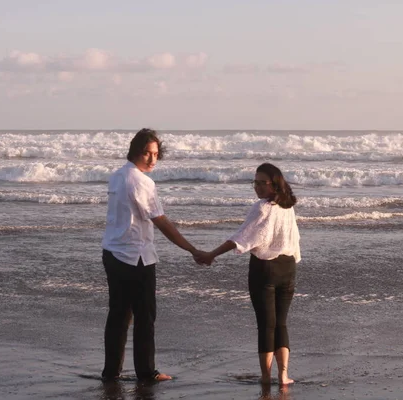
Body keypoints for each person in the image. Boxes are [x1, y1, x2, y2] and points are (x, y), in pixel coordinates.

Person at [101, 128, 205, 382]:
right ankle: (146, 372)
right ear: (135, 150)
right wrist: (191, 248)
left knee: (119, 315)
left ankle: (111, 372)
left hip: (113, 251)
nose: (152, 159)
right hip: (135, 256)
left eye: (156, 154)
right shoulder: (141, 181)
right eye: (147, 153)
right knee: (144, 317)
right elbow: (161, 221)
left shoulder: (117, 176)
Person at [197, 163, 300, 385]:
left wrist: (212, 254)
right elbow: (294, 238)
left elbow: (241, 237)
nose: (258, 187)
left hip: (265, 269)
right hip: (288, 267)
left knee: (266, 325)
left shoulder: (262, 207)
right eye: (255, 182)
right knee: (280, 323)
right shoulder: (287, 206)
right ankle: (283, 376)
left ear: (274, 183)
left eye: (263, 183)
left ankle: (266, 377)